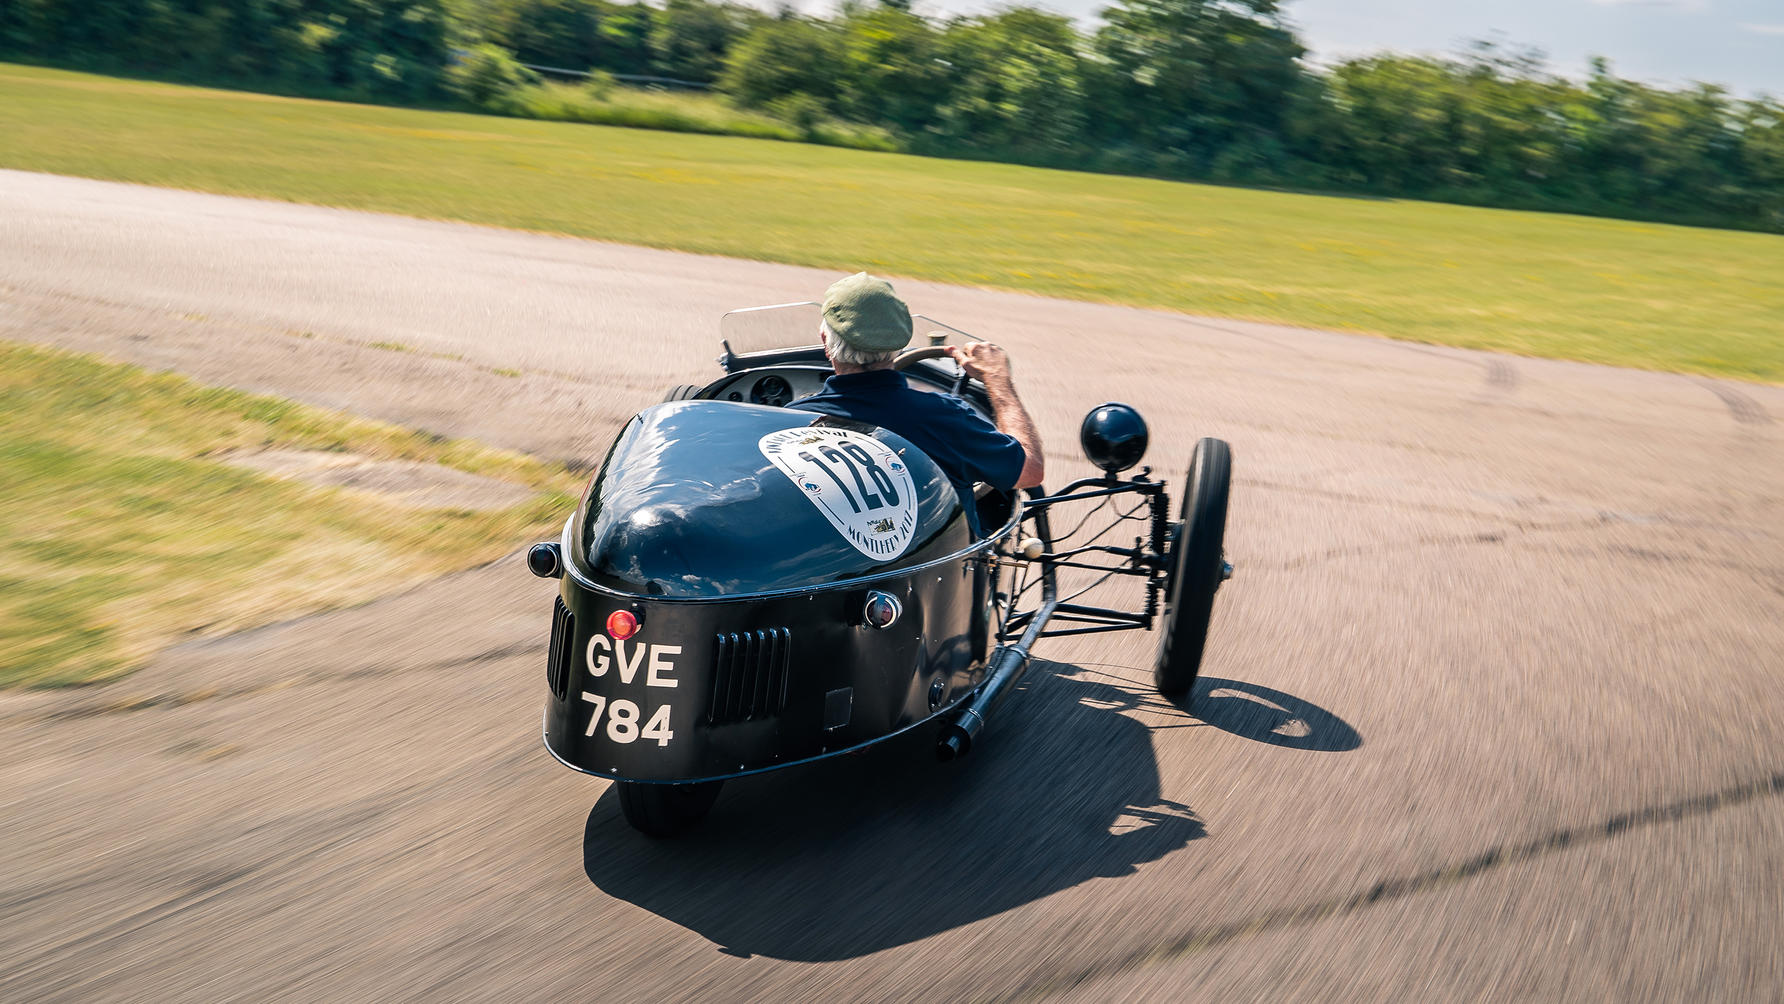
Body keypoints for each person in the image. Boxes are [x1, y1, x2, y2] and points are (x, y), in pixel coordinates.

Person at [788, 272, 1045, 536]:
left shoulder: (787, 424)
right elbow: (1029, 471)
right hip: (938, 570)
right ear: (899, 344)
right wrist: (997, 379)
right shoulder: (944, 417)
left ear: (825, 342)